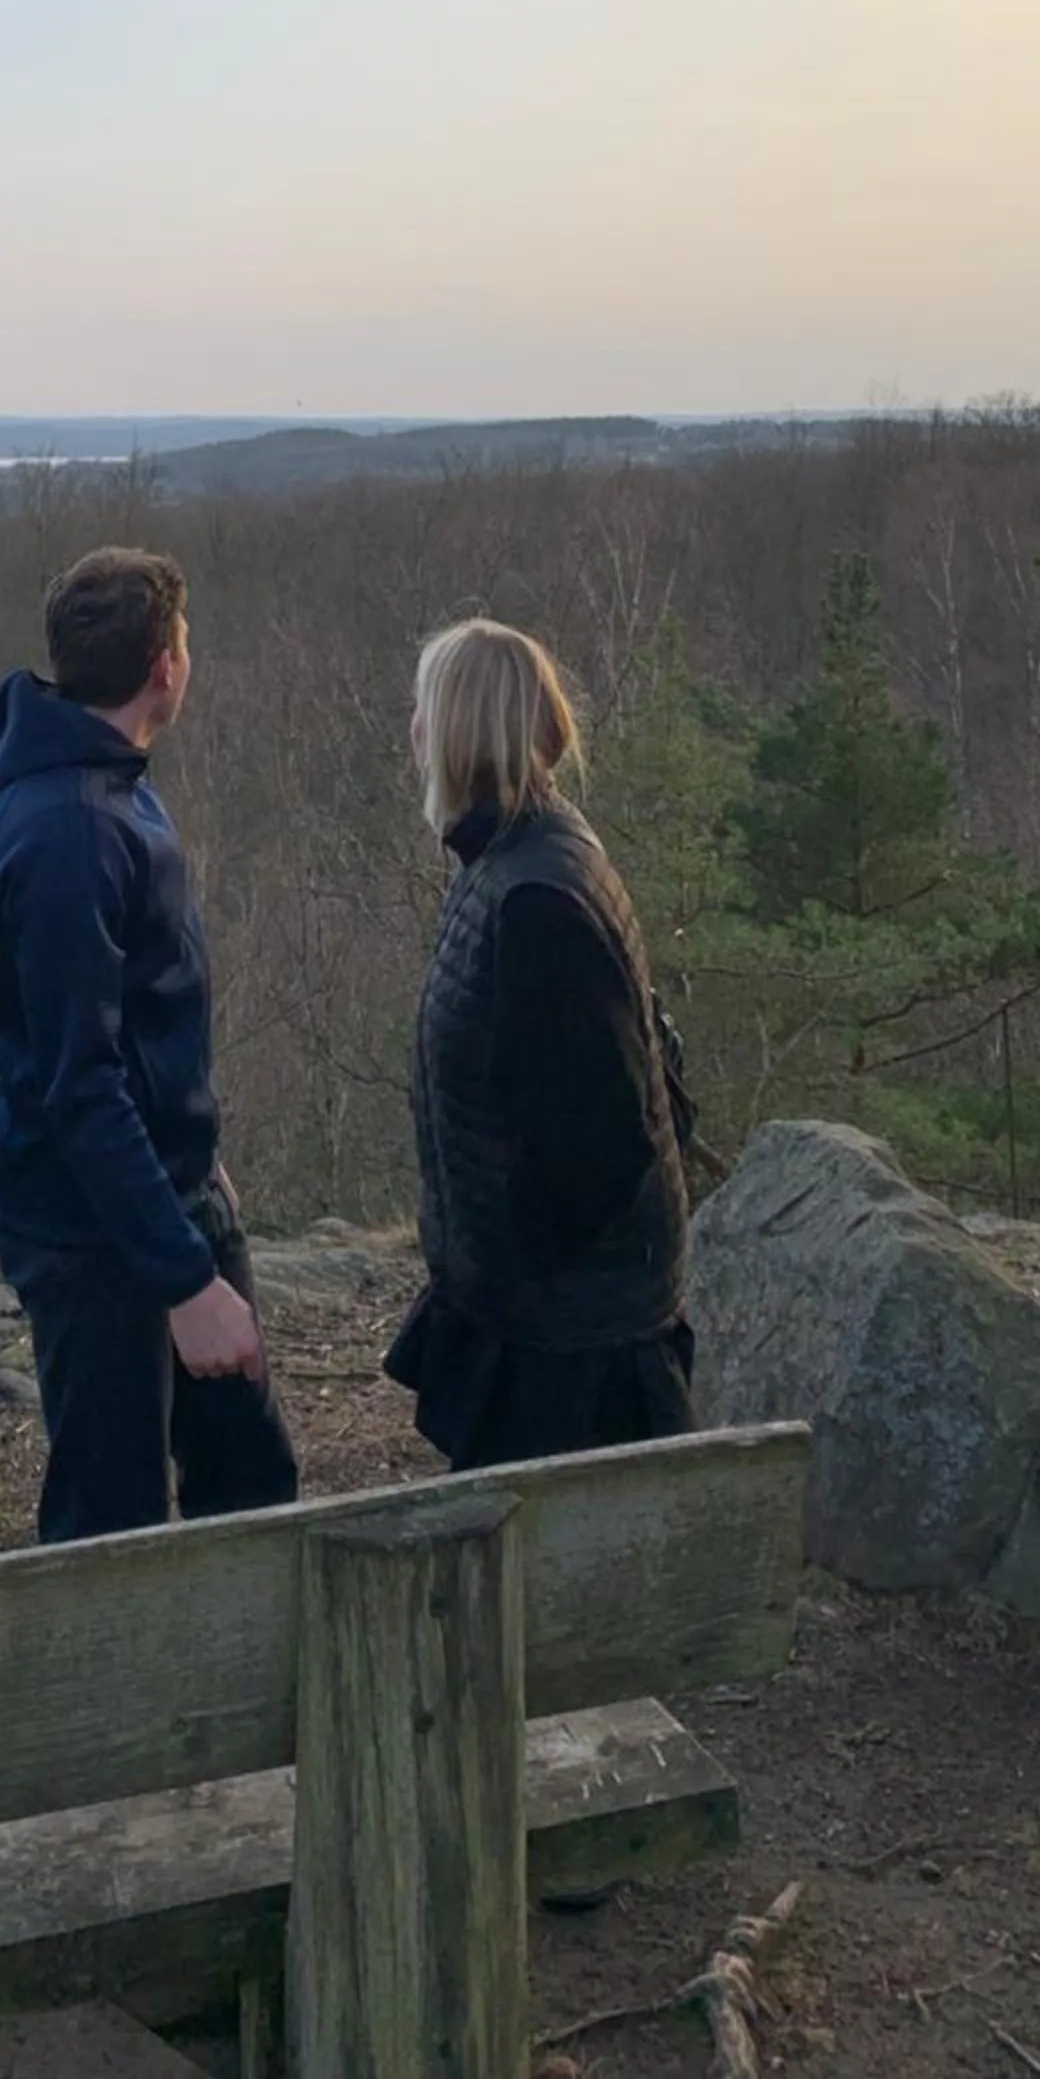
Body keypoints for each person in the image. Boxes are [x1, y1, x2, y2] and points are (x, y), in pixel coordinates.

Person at [0, 545, 299, 1544]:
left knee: (249, 1483)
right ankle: (110, 1704)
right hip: (91, 1236)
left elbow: (141, 1022)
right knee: (113, 1527)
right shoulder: (67, 829)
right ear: (165, 665)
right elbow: (79, 1085)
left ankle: (240, 1703)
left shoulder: (110, 791)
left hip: (165, 1200)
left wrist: (199, 1163)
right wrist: (184, 1284)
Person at [386, 616, 695, 1472]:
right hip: (549, 1322)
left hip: (570, 1352)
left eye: (424, 710)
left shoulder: (537, 900)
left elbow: (598, 1149)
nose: (412, 731)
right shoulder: (512, 862)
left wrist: (517, 1267)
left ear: (458, 731)